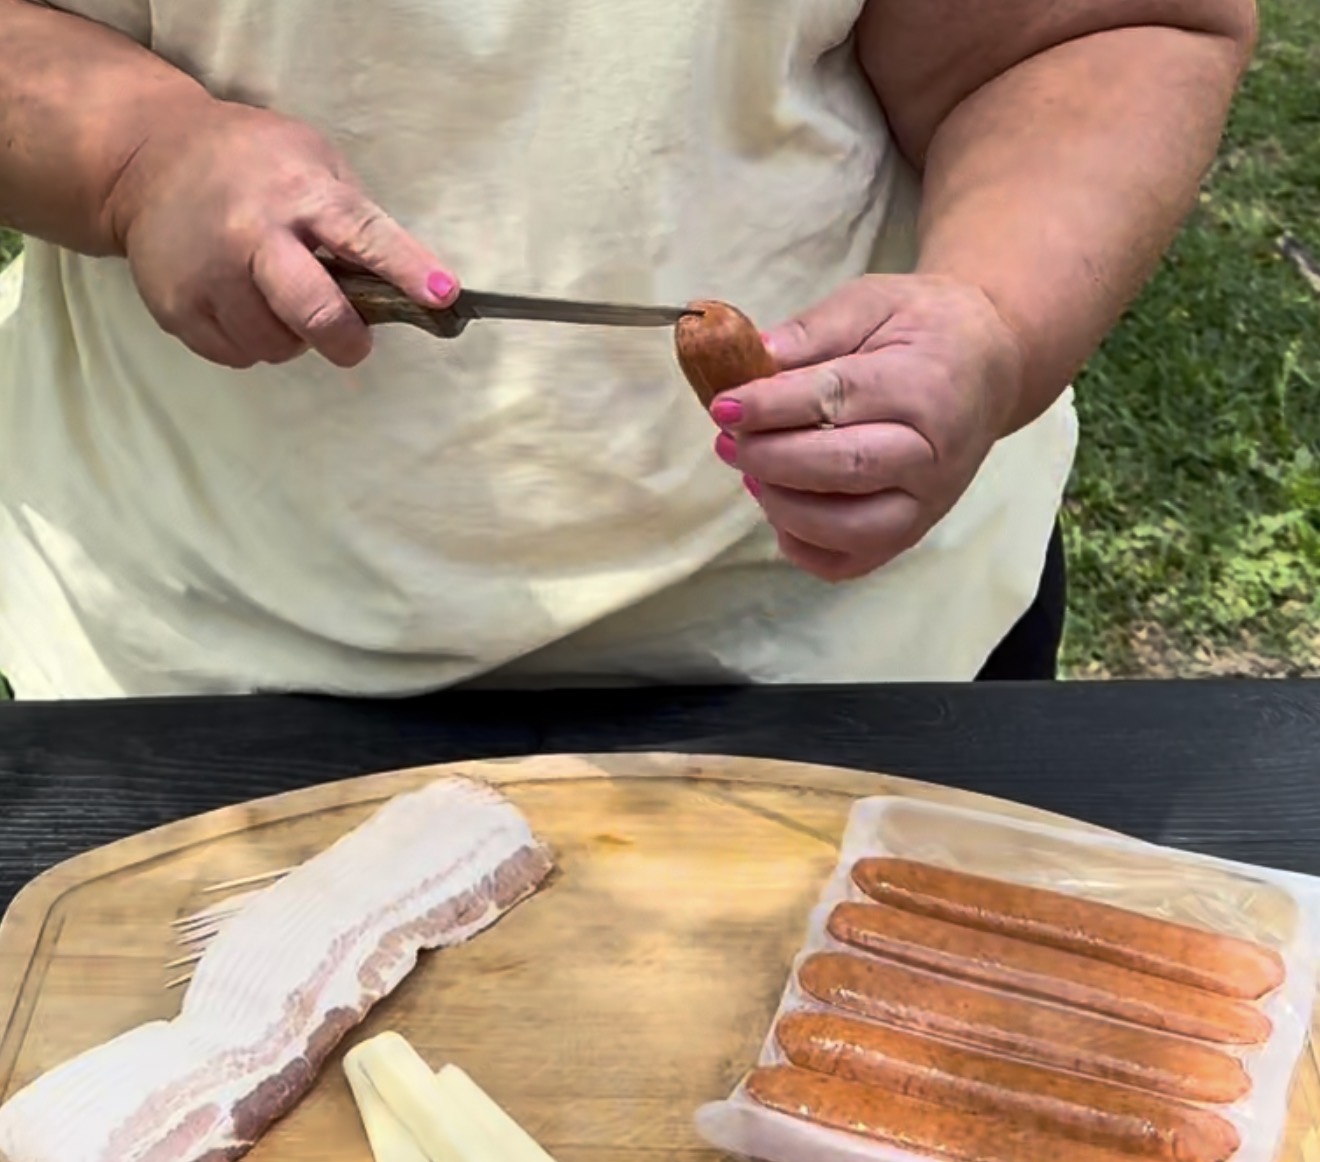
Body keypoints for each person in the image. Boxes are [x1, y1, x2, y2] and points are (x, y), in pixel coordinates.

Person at [0, 0, 1256, 699]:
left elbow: (1092, 27)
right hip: (188, 661)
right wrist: (135, 154)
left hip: (846, 661)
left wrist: (995, 311)